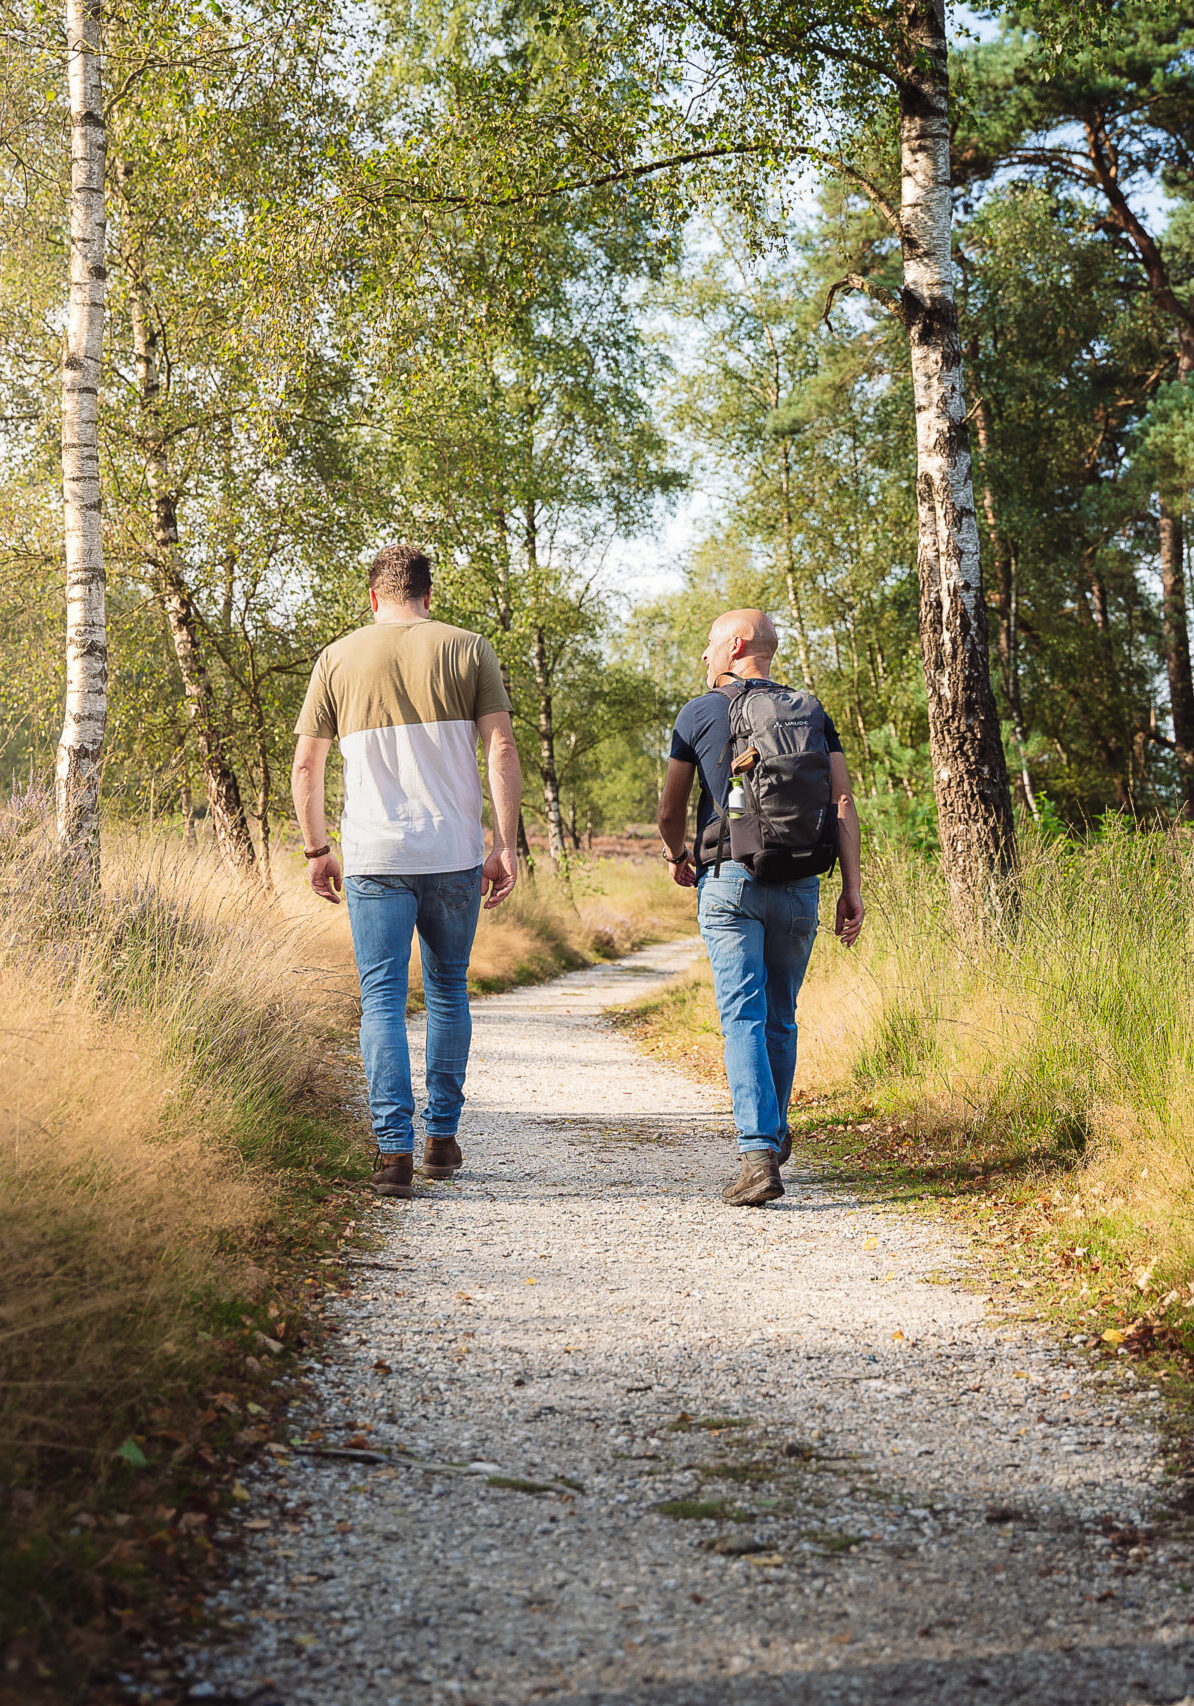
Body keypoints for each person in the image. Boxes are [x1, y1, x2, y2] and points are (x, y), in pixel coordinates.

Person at [291, 543, 522, 1200]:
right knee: (448, 991)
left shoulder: (337, 658)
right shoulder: (468, 648)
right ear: (429, 594)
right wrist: (504, 842)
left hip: (374, 857)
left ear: (372, 597)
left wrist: (317, 848)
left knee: (383, 1001)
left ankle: (393, 1151)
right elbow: (500, 747)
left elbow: (307, 766)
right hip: (453, 854)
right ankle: (441, 1140)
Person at [657, 608, 864, 1207]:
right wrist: (852, 887)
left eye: (709, 645)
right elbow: (842, 798)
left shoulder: (699, 712)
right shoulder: (810, 711)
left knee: (742, 1014)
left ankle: (757, 1154)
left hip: (730, 881)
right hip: (801, 882)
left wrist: (677, 854)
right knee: (780, 1013)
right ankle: (769, 1134)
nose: (703, 657)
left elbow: (671, 810)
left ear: (736, 645)